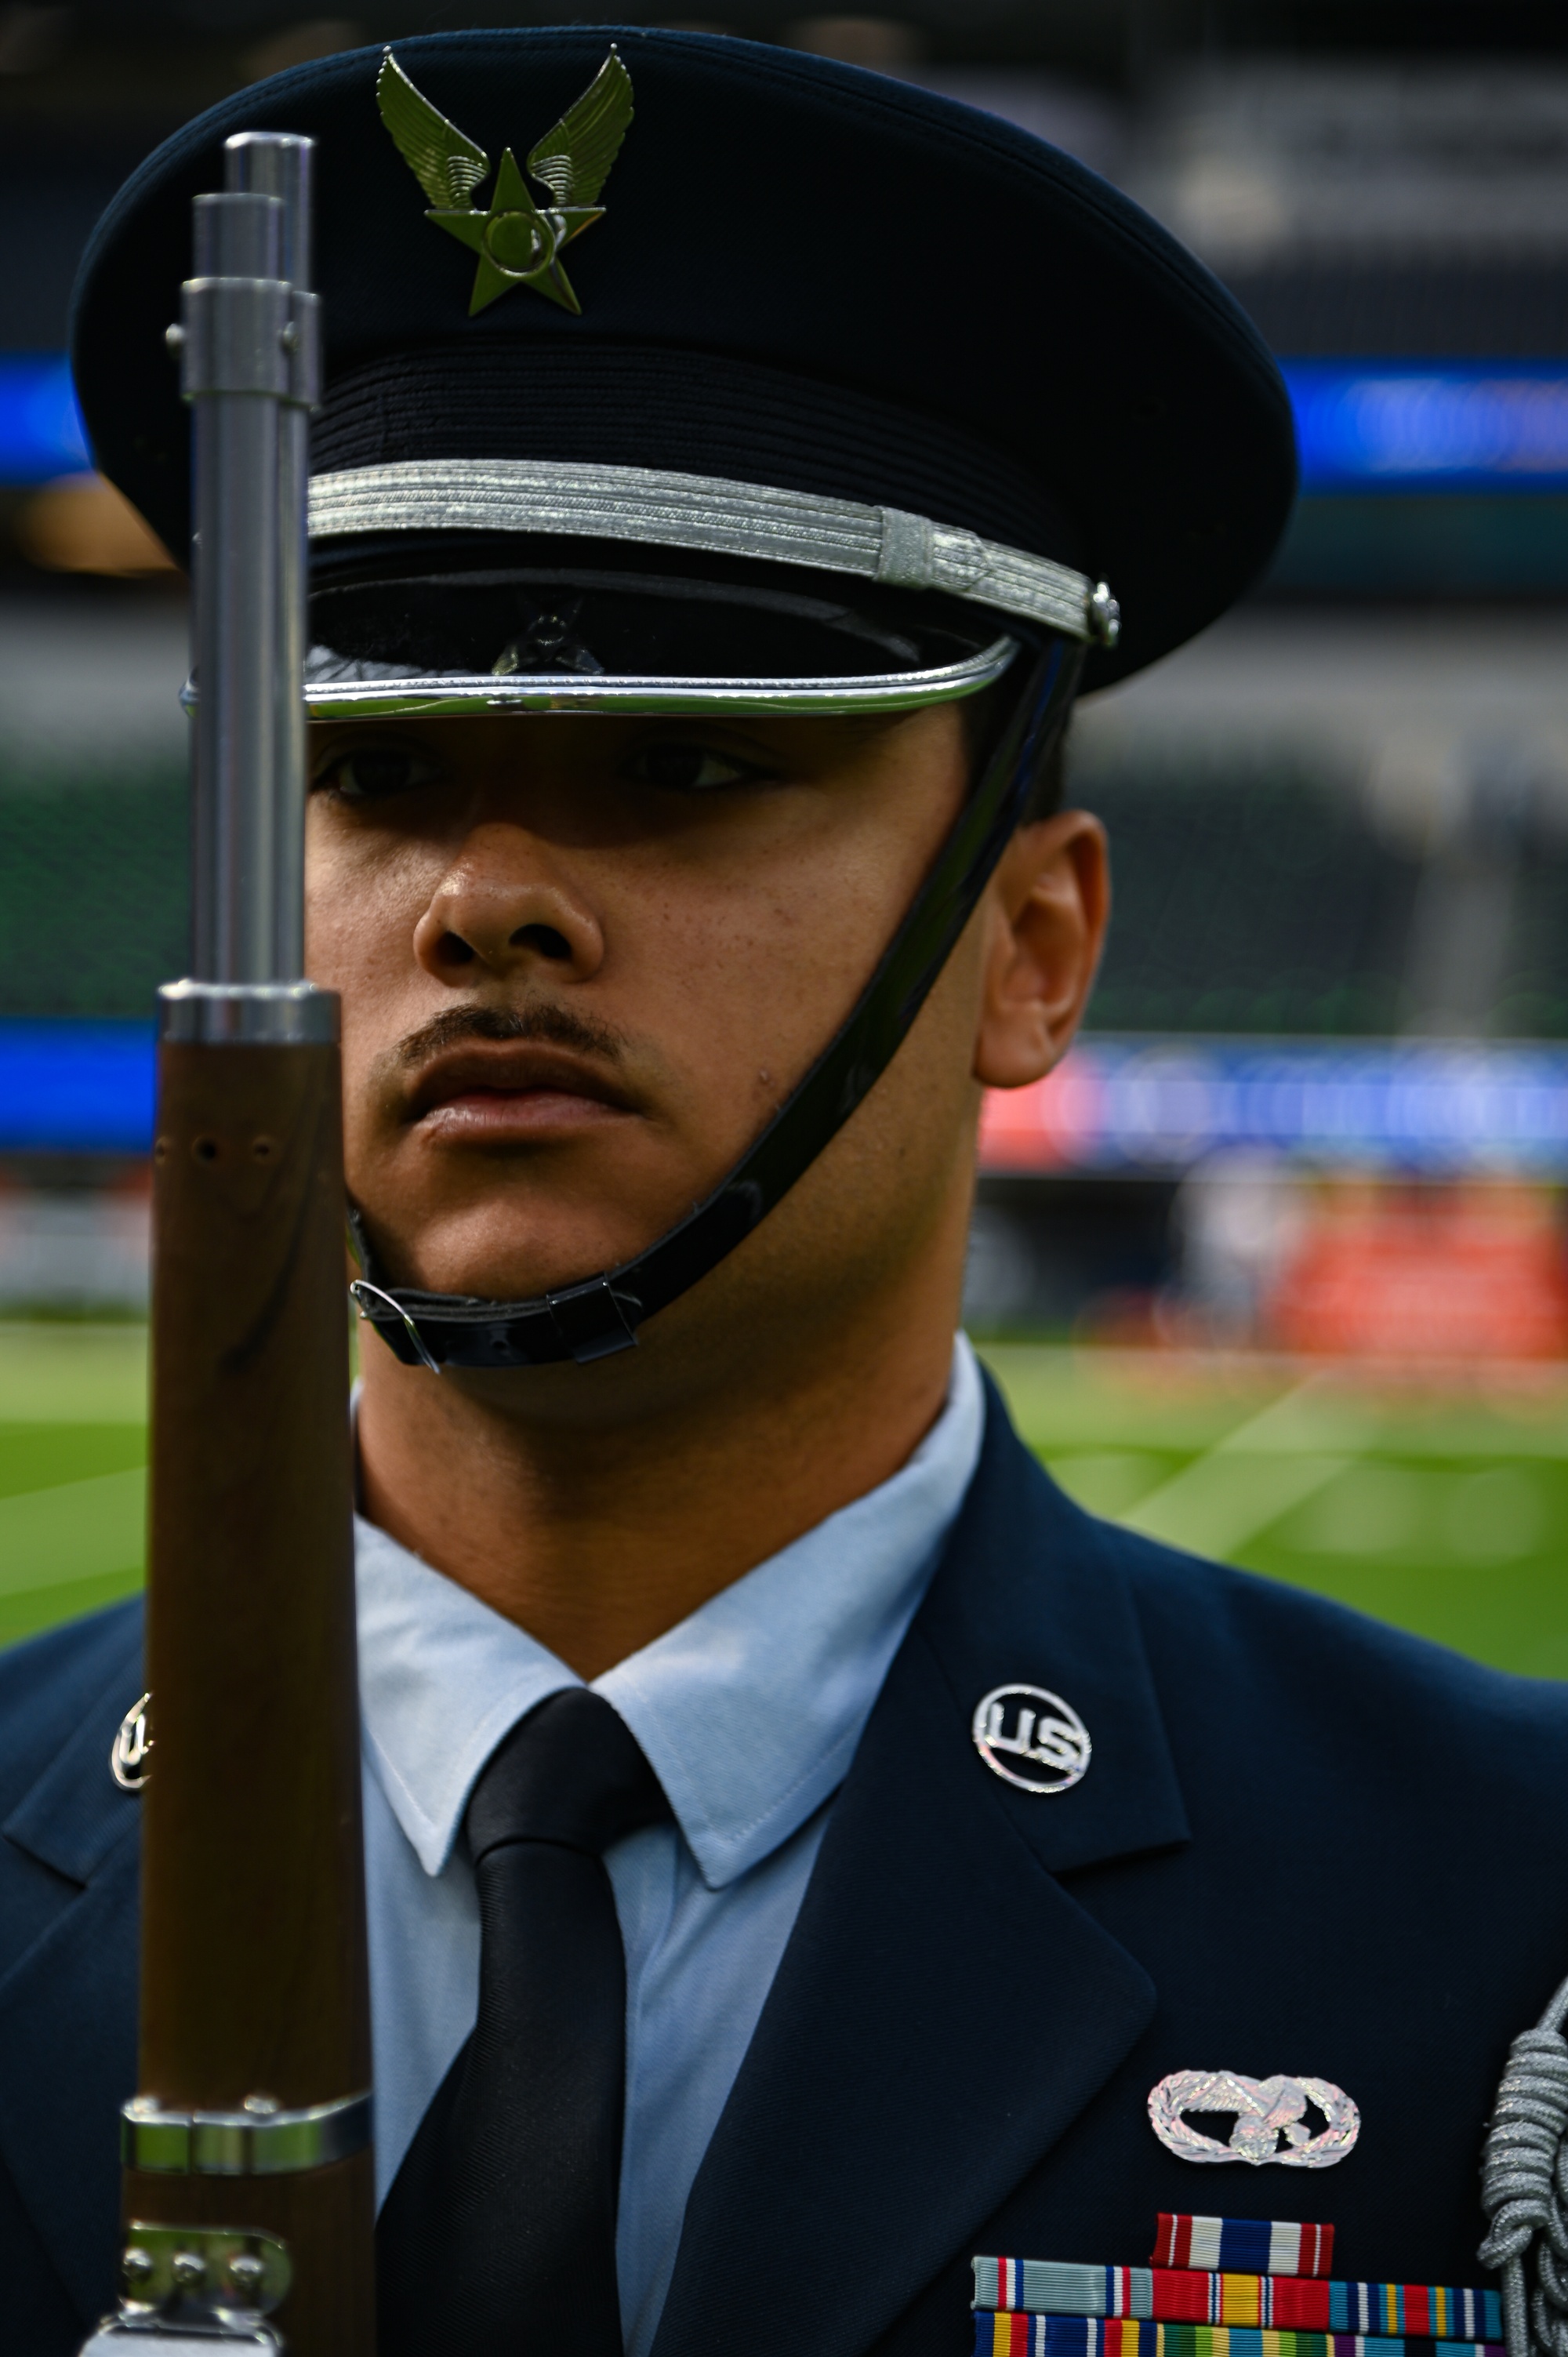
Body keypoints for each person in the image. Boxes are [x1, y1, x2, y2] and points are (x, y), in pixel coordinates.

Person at [4, 25, 1568, 2357]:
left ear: (1032, 951)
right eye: (377, 769)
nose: (487, 900)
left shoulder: (1507, 1915)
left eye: (695, 761)